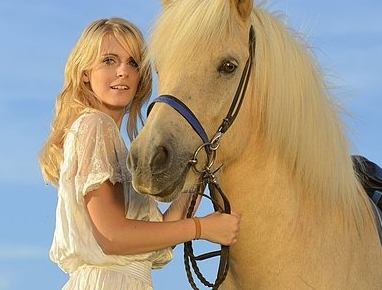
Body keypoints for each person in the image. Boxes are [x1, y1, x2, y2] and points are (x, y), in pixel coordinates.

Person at [39, 18, 241, 290]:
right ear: (85, 72)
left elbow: (159, 234)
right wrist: (202, 229)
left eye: (133, 63)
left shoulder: (109, 137)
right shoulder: (94, 126)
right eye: (109, 61)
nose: (123, 71)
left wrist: (195, 170)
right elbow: (112, 236)